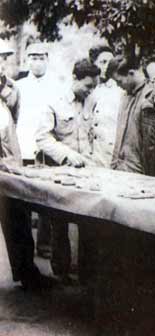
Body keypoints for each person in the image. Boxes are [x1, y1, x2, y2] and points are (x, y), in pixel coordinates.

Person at [36, 59, 100, 281]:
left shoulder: (92, 100)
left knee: (90, 220)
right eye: (88, 86)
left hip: (88, 171)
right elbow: (43, 137)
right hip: (61, 171)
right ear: (75, 78)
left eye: (94, 87)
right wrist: (67, 155)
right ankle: (61, 271)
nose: (91, 91)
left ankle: (87, 273)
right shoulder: (54, 101)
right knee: (59, 222)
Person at [0, 39, 55, 290]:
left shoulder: (10, 88)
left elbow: (13, 119)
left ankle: (27, 273)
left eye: (5, 58)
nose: (3, 64)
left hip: (10, 164)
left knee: (18, 217)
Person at [16, 42, 65, 259]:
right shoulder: (18, 86)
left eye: (41, 57)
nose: (37, 61)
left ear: (47, 58)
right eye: (33, 57)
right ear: (27, 60)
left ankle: (45, 245)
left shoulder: (57, 85)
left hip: (47, 147)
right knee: (23, 199)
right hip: (24, 146)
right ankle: (25, 246)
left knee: (47, 199)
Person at [84, 45, 125, 167]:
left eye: (110, 62)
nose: (107, 65)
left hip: (111, 153)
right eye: (103, 62)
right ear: (94, 64)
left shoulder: (119, 91)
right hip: (90, 154)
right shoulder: (87, 89)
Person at [110, 54, 151, 173]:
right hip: (119, 168)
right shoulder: (124, 97)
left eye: (119, 81)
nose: (118, 85)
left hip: (139, 171)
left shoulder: (150, 95)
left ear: (131, 73)